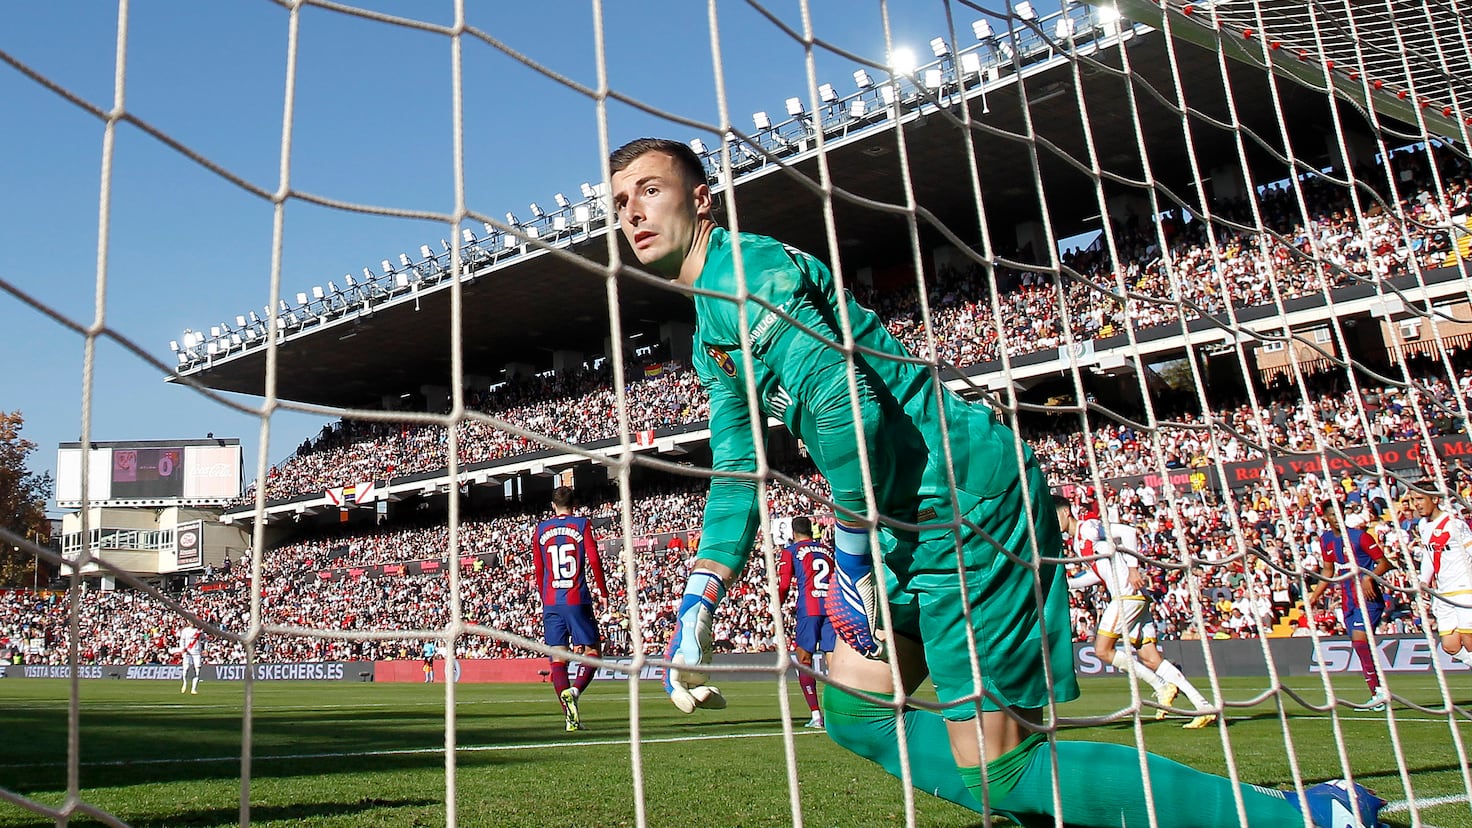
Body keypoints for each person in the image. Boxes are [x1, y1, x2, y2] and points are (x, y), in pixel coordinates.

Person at [607, 136, 1385, 827]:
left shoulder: (754, 272)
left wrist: (850, 554)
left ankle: (1302, 820)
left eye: (650, 188)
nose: (632, 212)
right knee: (855, 709)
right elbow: (739, 468)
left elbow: (848, 411)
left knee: (998, 760)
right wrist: (701, 598)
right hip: (901, 519)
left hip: (963, 499)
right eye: (618, 202)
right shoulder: (712, 325)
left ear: (701, 198)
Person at [1054, 494, 1216, 729]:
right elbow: (1098, 574)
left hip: (1126, 595)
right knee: (1151, 658)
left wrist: (1133, 569)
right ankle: (1203, 706)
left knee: (1102, 650)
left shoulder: (1088, 527)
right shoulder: (1079, 543)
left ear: (1066, 511)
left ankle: (1161, 687)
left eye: (1055, 515)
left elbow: (1128, 533)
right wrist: (1067, 583)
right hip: (1132, 597)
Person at [533, 486, 608, 732]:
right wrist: (603, 591)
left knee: (558, 657)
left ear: (552, 505)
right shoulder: (582, 524)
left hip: (552, 599)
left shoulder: (541, 529)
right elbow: (594, 559)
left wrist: (544, 598)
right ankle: (574, 692)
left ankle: (570, 717)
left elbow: (539, 568)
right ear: (573, 504)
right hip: (576, 597)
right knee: (593, 651)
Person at [1306, 499, 1391, 710]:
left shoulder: (1359, 536)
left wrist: (1368, 578)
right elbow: (1328, 571)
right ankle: (1376, 692)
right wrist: (1315, 595)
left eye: (1338, 513)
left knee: (1361, 642)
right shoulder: (1326, 540)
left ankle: (1379, 693)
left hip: (1368, 598)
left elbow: (1384, 563)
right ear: (1325, 517)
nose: (1336, 517)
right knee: (1358, 645)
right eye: (1331, 514)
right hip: (1348, 599)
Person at [776, 516, 835, 729]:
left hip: (809, 608)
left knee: (804, 660)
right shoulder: (828, 550)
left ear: (793, 533)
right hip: (831, 608)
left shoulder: (791, 551)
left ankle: (816, 715)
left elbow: (783, 586)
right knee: (835, 664)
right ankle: (840, 715)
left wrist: (778, 605)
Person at [1407, 484, 1472, 670]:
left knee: (1469, 640)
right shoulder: (1423, 525)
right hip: (1442, 592)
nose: (1416, 504)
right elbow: (1429, 555)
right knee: (1450, 646)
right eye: (1413, 499)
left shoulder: (1454, 524)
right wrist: (1424, 580)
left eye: (1420, 499)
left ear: (1434, 499)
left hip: (1464, 588)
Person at [177, 622, 203, 695]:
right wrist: (182, 648)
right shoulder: (185, 630)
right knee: (186, 668)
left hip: (197, 652)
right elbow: (182, 640)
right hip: (187, 652)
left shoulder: (199, 631)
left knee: (197, 670)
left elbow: (205, 640)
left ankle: (193, 689)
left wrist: (206, 649)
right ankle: (185, 683)